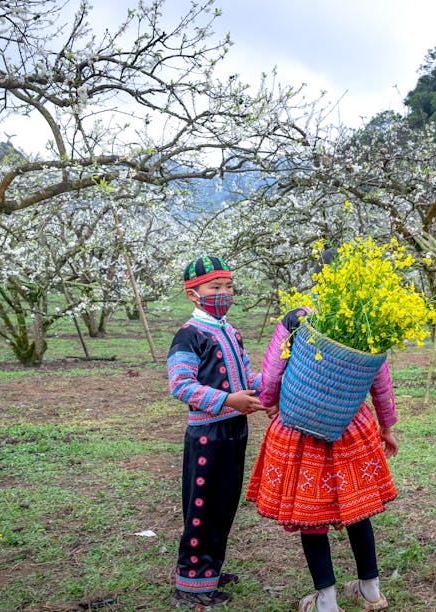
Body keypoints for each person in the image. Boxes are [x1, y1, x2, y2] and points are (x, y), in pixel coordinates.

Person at [246, 303, 399, 612]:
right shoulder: (367, 319)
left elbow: (275, 366)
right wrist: (387, 425)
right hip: (350, 428)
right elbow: (378, 377)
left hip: (303, 429)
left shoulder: (298, 318)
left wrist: (269, 401)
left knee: (310, 517)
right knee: (357, 509)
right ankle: (371, 592)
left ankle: (327, 602)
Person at [167, 255, 266, 609]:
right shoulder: (189, 334)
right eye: (215, 287)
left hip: (234, 429)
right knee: (203, 506)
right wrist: (228, 399)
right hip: (208, 433)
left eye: (228, 286)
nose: (224, 293)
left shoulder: (230, 331)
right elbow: (180, 385)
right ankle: (192, 582)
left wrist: (270, 386)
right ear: (193, 294)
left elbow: (247, 377)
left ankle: (210, 569)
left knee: (223, 504)